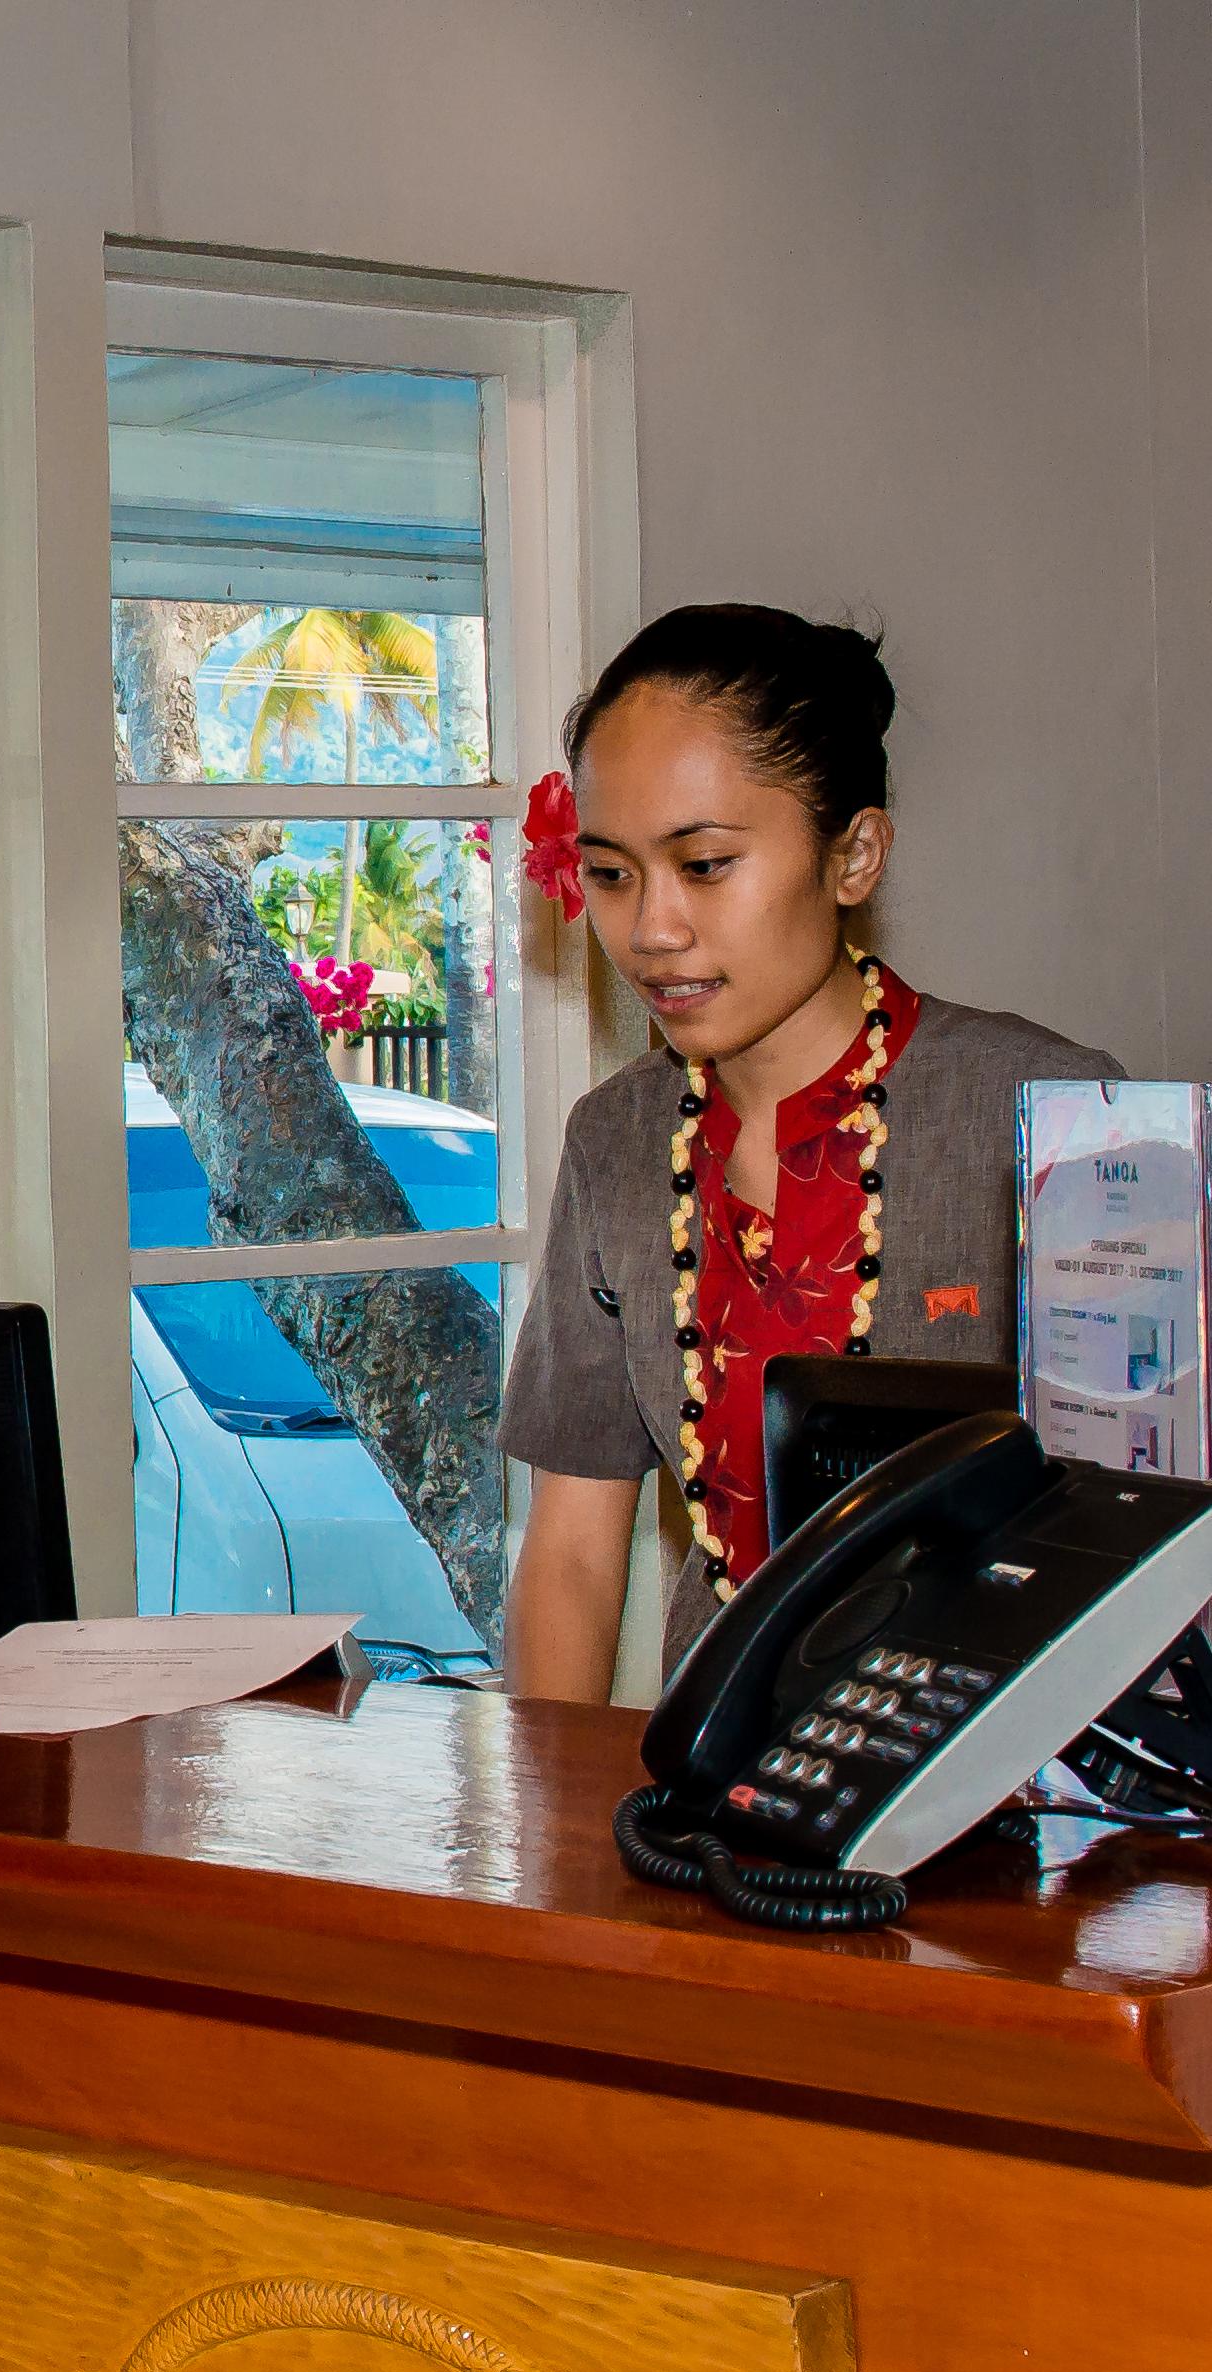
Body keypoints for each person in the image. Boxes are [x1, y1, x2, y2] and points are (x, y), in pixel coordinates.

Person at [501, 605, 1118, 1702]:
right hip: (708, 1782)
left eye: (702, 864)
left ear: (854, 855)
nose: (650, 928)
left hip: (1013, 1790)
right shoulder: (614, 1141)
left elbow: (1141, 1528)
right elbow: (571, 1555)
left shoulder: (1052, 1116)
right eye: (608, 874)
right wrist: (550, 1844)